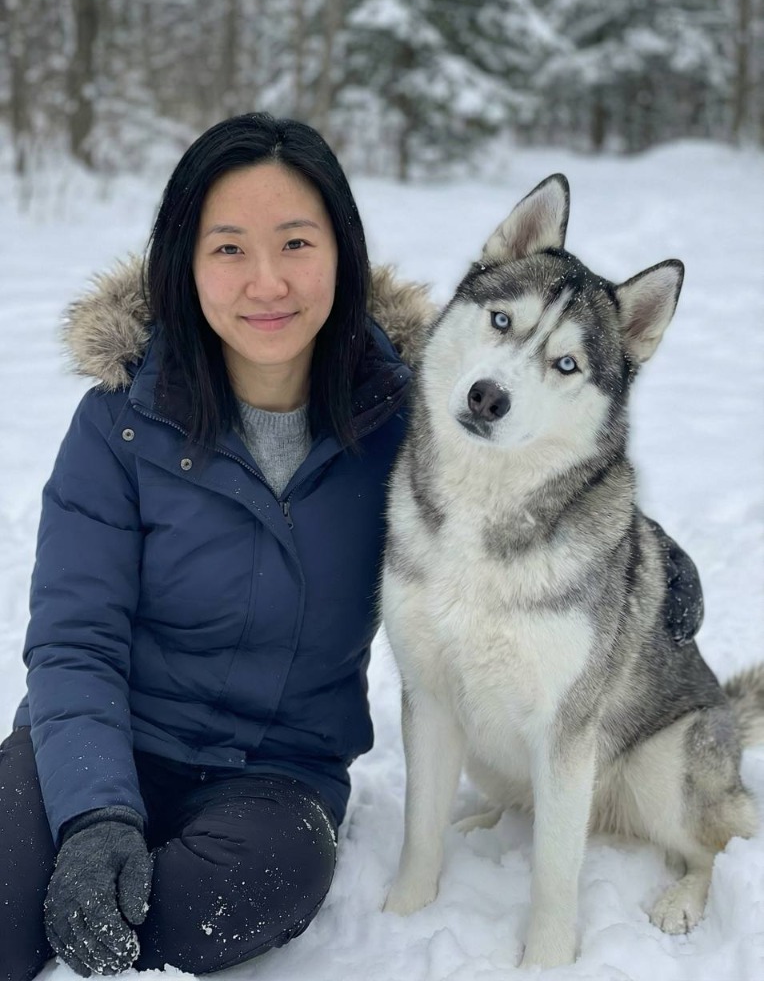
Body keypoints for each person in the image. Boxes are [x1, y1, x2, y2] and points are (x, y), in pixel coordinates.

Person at [0, 112, 705, 980]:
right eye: (228, 249)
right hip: (100, 741)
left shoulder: (403, 418)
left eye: (296, 242)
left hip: (273, 780)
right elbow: (75, 640)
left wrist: (646, 549)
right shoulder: (120, 424)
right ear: (182, 260)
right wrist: (95, 817)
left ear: (343, 253)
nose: (267, 281)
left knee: (197, 916)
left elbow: (533, 466)